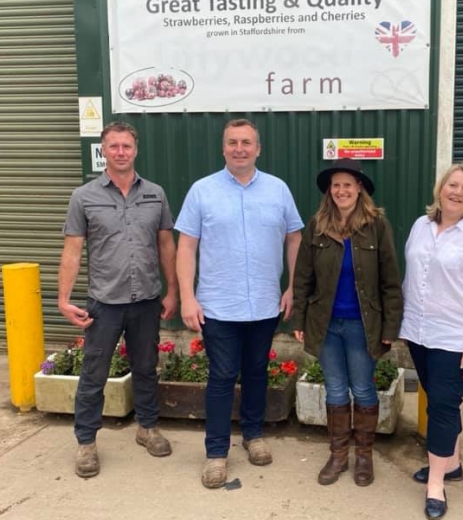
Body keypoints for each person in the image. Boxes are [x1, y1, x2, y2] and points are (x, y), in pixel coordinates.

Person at [174, 118, 303, 489]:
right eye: (233, 142)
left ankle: (253, 434)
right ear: (223, 148)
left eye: (247, 142)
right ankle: (216, 453)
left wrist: (292, 287)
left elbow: (295, 239)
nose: (240, 149)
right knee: (221, 377)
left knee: (257, 373)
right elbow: (187, 246)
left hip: (264, 303)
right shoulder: (202, 191)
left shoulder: (278, 190)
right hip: (218, 305)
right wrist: (187, 296)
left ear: (258, 148)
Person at [58, 120, 178, 479]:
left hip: (146, 301)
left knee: (145, 367)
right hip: (104, 302)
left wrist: (171, 289)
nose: (121, 152)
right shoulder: (84, 197)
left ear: (135, 149)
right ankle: (86, 443)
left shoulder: (155, 193)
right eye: (114, 147)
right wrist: (63, 299)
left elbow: (166, 245)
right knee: (93, 375)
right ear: (103, 151)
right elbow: (72, 251)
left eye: (127, 146)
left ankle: (147, 428)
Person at [291, 159, 403, 487]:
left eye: (348, 185)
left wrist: (389, 328)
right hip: (325, 322)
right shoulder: (317, 225)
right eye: (336, 185)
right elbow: (303, 276)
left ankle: (364, 456)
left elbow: (390, 282)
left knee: (364, 387)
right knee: (336, 388)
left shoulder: (376, 225)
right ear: (330, 190)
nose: (341, 190)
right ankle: (339, 454)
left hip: (361, 324)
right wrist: (299, 316)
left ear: (359, 190)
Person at [399, 164, 463, 520]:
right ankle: (451, 463)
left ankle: (437, 484)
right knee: (443, 402)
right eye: (452, 185)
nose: (457, 192)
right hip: (419, 332)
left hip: (457, 336)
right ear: (440, 189)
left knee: (441, 406)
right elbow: (411, 278)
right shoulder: (419, 226)